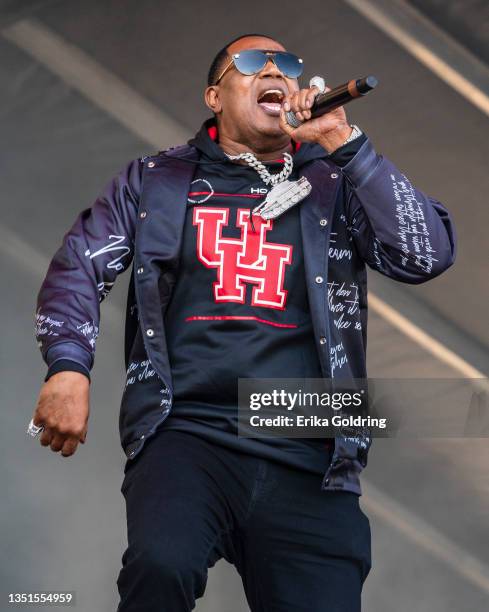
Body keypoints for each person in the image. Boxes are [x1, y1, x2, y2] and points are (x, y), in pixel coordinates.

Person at [30, 33, 457, 611]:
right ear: (214, 95)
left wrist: (344, 143)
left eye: (287, 65)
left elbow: (426, 255)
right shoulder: (156, 179)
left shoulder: (335, 180)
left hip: (310, 439)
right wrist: (68, 368)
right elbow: (80, 265)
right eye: (254, 63)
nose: (274, 72)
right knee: (161, 567)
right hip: (190, 423)